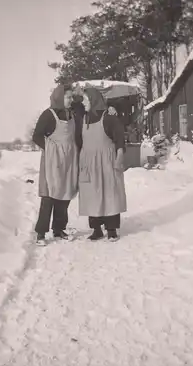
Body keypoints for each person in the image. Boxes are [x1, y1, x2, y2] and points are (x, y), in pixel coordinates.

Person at [32, 85, 80, 246]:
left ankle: (59, 229)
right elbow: (37, 136)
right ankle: (40, 233)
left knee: (64, 195)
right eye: (68, 97)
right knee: (49, 196)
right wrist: (52, 150)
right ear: (59, 97)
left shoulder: (71, 115)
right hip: (52, 161)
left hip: (68, 160)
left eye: (71, 97)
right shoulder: (48, 115)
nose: (71, 100)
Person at [78, 87, 127, 242]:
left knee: (109, 193)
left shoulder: (109, 118)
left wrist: (119, 157)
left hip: (106, 161)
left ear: (93, 100)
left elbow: (120, 138)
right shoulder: (83, 118)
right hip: (89, 162)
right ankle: (96, 229)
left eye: (86, 99)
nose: (83, 102)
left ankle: (111, 229)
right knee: (92, 195)